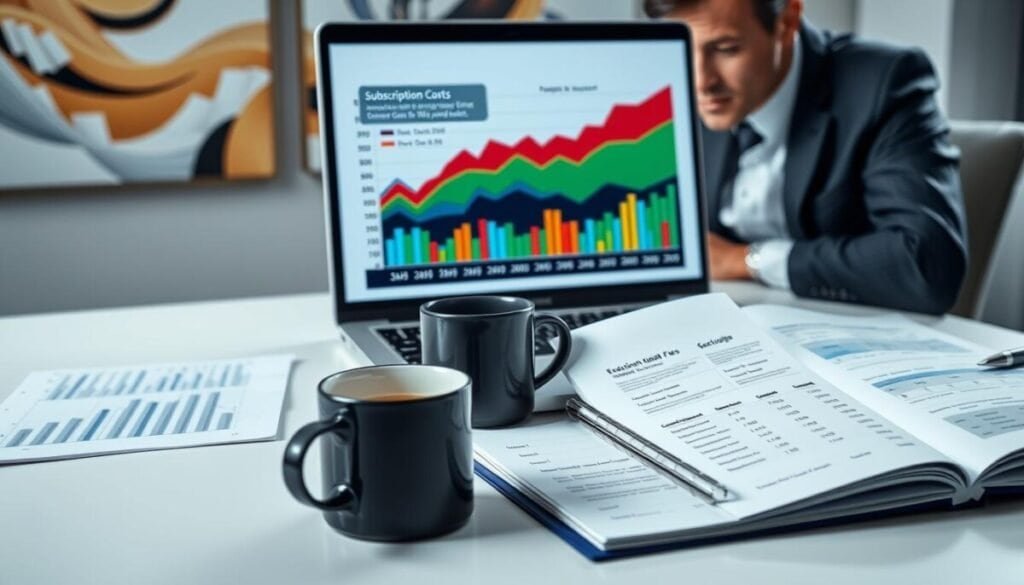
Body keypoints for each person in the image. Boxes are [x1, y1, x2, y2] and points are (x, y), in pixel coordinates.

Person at [647, 0, 967, 314]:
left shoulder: (884, 82)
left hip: (848, 328)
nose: (701, 82)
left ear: (787, 23)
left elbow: (924, 265)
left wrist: (744, 259)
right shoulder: (675, 85)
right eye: (683, 48)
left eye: (727, 49)